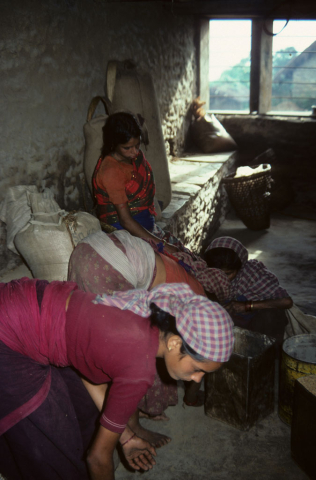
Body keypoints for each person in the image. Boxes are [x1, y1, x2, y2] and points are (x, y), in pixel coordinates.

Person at [0, 278, 234, 480]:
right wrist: (106, 453)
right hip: (8, 336)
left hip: (29, 300)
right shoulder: (138, 370)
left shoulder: (143, 311)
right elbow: (97, 458)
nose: (195, 379)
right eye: (197, 369)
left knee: (84, 414)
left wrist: (126, 437)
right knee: (52, 452)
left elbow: (88, 364)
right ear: (175, 343)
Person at [68, 229, 206, 417]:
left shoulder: (193, 291)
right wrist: (191, 398)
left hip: (89, 250)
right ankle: (134, 421)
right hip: (105, 267)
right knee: (135, 351)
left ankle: (132, 414)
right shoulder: (192, 311)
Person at [92, 111, 179, 254]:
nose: (134, 152)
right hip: (125, 234)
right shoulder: (111, 171)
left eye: (137, 145)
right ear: (113, 144)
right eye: (127, 148)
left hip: (142, 228)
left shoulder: (133, 158)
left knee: (185, 256)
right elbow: (126, 221)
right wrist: (162, 246)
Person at [203, 236, 293, 345]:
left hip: (257, 327)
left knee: (270, 316)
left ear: (240, 268)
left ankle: (268, 355)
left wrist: (247, 305)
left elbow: (286, 301)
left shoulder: (253, 275)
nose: (222, 278)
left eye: (228, 274)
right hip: (231, 331)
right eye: (216, 273)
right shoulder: (205, 276)